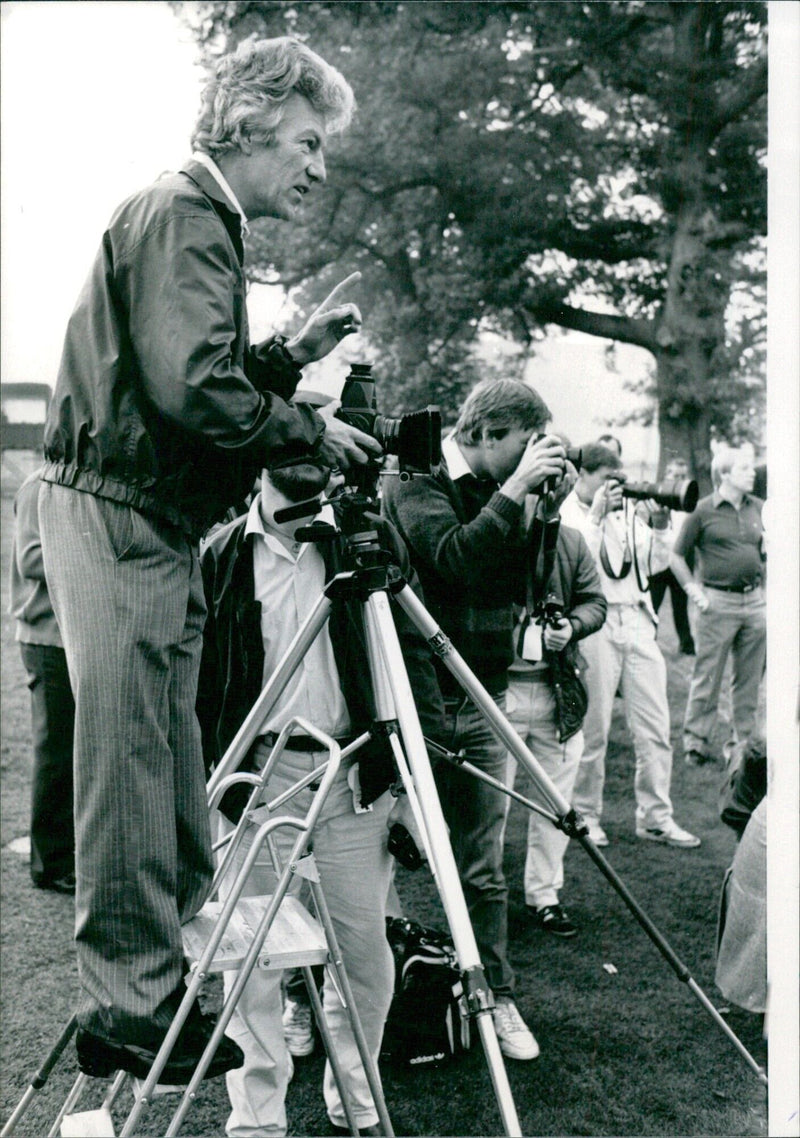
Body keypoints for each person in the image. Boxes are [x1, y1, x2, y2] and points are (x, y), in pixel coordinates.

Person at [37, 36, 381, 1084]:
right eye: (309, 142)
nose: (318, 168)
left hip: (155, 516)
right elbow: (193, 391)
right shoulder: (185, 214)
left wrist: (290, 358)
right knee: (134, 757)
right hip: (123, 514)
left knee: (171, 759)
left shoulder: (193, 218)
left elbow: (183, 385)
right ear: (247, 121)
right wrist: (307, 429)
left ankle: (162, 974)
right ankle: (135, 1001)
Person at [197, 444, 445, 1138]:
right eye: (289, 440)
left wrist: (411, 781)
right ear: (258, 457)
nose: (305, 455)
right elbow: (196, 682)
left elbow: (413, 655)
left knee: (364, 958)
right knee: (250, 965)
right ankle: (256, 1121)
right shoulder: (220, 557)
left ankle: (356, 1100)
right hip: (256, 781)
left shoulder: (363, 543)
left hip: (353, 778)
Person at [382, 377, 568, 1061]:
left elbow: (527, 582)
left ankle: (497, 997)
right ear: (487, 435)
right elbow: (456, 558)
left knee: (482, 869)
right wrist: (517, 490)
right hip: (413, 701)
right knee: (376, 860)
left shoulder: (508, 491)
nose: (530, 458)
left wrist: (544, 510)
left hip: (484, 698)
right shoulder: (414, 479)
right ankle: (357, 1001)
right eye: (524, 446)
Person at [560, 444, 700, 849]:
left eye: (617, 481)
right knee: (595, 726)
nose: (614, 489)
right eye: (605, 480)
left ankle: (656, 817)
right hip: (594, 622)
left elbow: (654, 567)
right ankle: (585, 814)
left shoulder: (630, 514)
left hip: (638, 619)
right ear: (582, 475)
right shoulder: (568, 512)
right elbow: (577, 560)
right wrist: (599, 515)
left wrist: (657, 526)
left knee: (656, 726)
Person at [504, 465, 607, 939]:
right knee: (488, 806)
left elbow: (594, 602)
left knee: (556, 803)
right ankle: (481, 899)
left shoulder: (572, 542)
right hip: (497, 691)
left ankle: (543, 894)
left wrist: (572, 627)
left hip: (556, 690)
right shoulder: (496, 537)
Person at [670, 446, 766, 768]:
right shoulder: (702, 511)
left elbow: (767, 553)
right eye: (744, 468)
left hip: (754, 602)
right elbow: (676, 556)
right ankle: (696, 743)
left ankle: (743, 747)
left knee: (749, 679)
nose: (752, 473)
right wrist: (693, 590)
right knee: (708, 676)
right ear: (723, 474)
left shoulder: (760, 509)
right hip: (717, 602)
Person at [8, 469, 75, 895]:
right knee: (56, 751)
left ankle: (68, 852)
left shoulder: (69, 484)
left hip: (70, 636)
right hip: (46, 637)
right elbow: (31, 559)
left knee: (74, 751)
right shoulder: (39, 486)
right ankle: (49, 864)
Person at [648, 457, 696, 655]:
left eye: (683, 476)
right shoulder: (656, 501)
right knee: (653, 604)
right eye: (675, 475)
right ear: (667, 475)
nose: (679, 479)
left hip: (682, 559)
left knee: (681, 605)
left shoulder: (689, 503)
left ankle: (686, 645)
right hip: (659, 559)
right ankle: (649, 641)